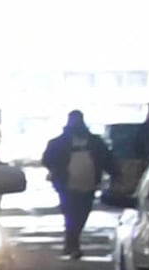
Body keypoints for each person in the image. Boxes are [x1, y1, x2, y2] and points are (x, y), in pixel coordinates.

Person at [43, 109, 112, 260]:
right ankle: (73, 243)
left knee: (78, 214)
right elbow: (47, 159)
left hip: (85, 183)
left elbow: (106, 159)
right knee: (73, 213)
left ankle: (72, 242)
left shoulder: (94, 142)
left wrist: (115, 173)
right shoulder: (60, 142)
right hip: (68, 184)